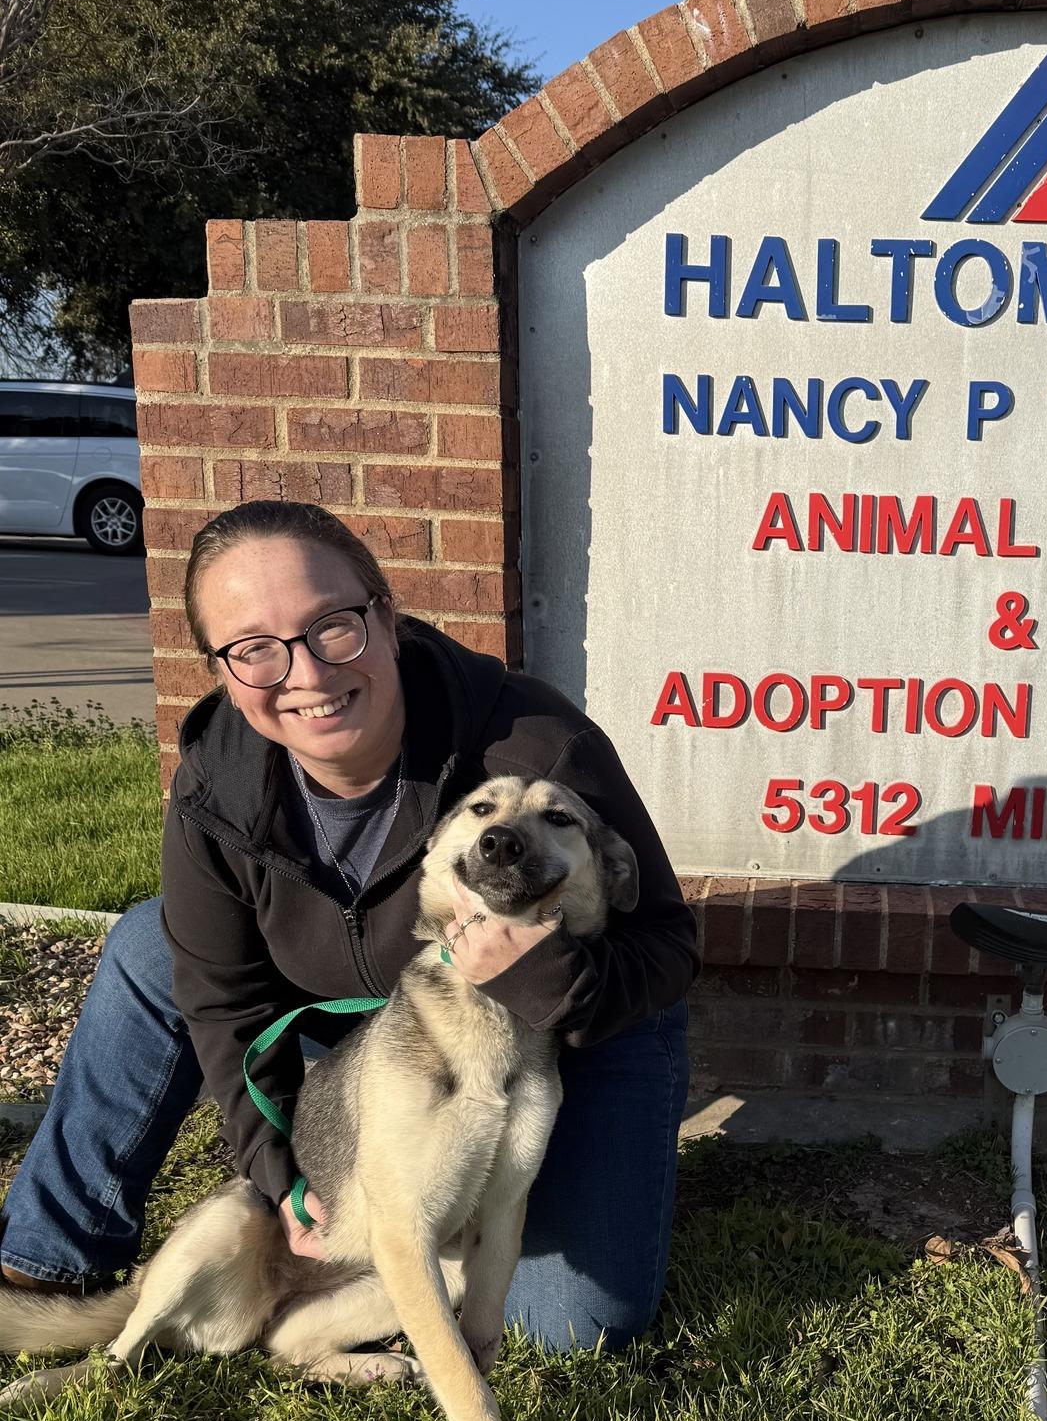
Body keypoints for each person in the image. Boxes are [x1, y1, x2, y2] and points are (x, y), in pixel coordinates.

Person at [0, 501, 697, 1352]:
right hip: (376, 1035)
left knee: (569, 1329)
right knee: (155, 943)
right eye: (254, 648)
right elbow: (223, 1005)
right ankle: (46, 1253)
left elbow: (666, 947)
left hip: (571, 1030)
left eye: (332, 625)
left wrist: (534, 971)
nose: (305, 673)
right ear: (222, 667)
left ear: (385, 617)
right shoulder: (216, 786)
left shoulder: (533, 746)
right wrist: (277, 1168)